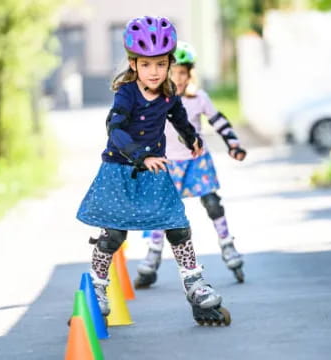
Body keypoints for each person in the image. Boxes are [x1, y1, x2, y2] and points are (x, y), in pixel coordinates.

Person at [76, 17, 230, 326]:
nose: (155, 71)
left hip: (154, 172)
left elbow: (179, 117)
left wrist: (192, 138)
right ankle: (97, 288)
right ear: (134, 64)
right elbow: (115, 130)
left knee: (177, 227)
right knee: (113, 235)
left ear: (170, 63)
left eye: (161, 64)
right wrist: (141, 156)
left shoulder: (168, 94)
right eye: (146, 65)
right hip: (120, 171)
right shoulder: (127, 94)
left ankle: (195, 285)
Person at [134, 41, 247, 290]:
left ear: (189, 74)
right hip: (167, 163)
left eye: (183, 73)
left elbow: (218, 120)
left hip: (196, 161)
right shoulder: (155, 98)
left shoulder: (198, 98)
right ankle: (153, 256)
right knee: (162, 211)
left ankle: (227, 244)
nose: (178, 78)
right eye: (173, 72)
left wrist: (233, 144)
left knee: (212, 202)